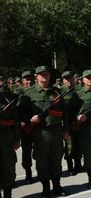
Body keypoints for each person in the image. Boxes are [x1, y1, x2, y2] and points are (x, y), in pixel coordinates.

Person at [20, 66, 69, 197]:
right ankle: (46, 188)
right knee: (42, 162)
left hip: (56, 132)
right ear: (36, 76)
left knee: (56, 160)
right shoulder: (29, 93)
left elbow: (65, 113)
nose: (44, 76)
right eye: (41, 74)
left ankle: (57, 186)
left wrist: (66, 130)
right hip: (39, 133)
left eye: (46, 74)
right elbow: (22, 112)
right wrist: (30, 119)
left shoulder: (57, 92)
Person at [0, 74, 21, 198]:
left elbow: (16, 120)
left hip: (7, 137)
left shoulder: (10, 97)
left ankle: (8, 194)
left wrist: (17, 138)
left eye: (1, 80)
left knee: (8, 166)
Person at [60, 71, 83, 176]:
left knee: (79, 144)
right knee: (69, 146)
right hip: (66, 123)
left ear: (74, 79)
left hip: (78, 122)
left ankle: (78, 165)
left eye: (70, 78)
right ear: (63, 80)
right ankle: (70, 167)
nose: (68, 80)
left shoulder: (79, 90)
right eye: (66, 79)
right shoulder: (59, 92)